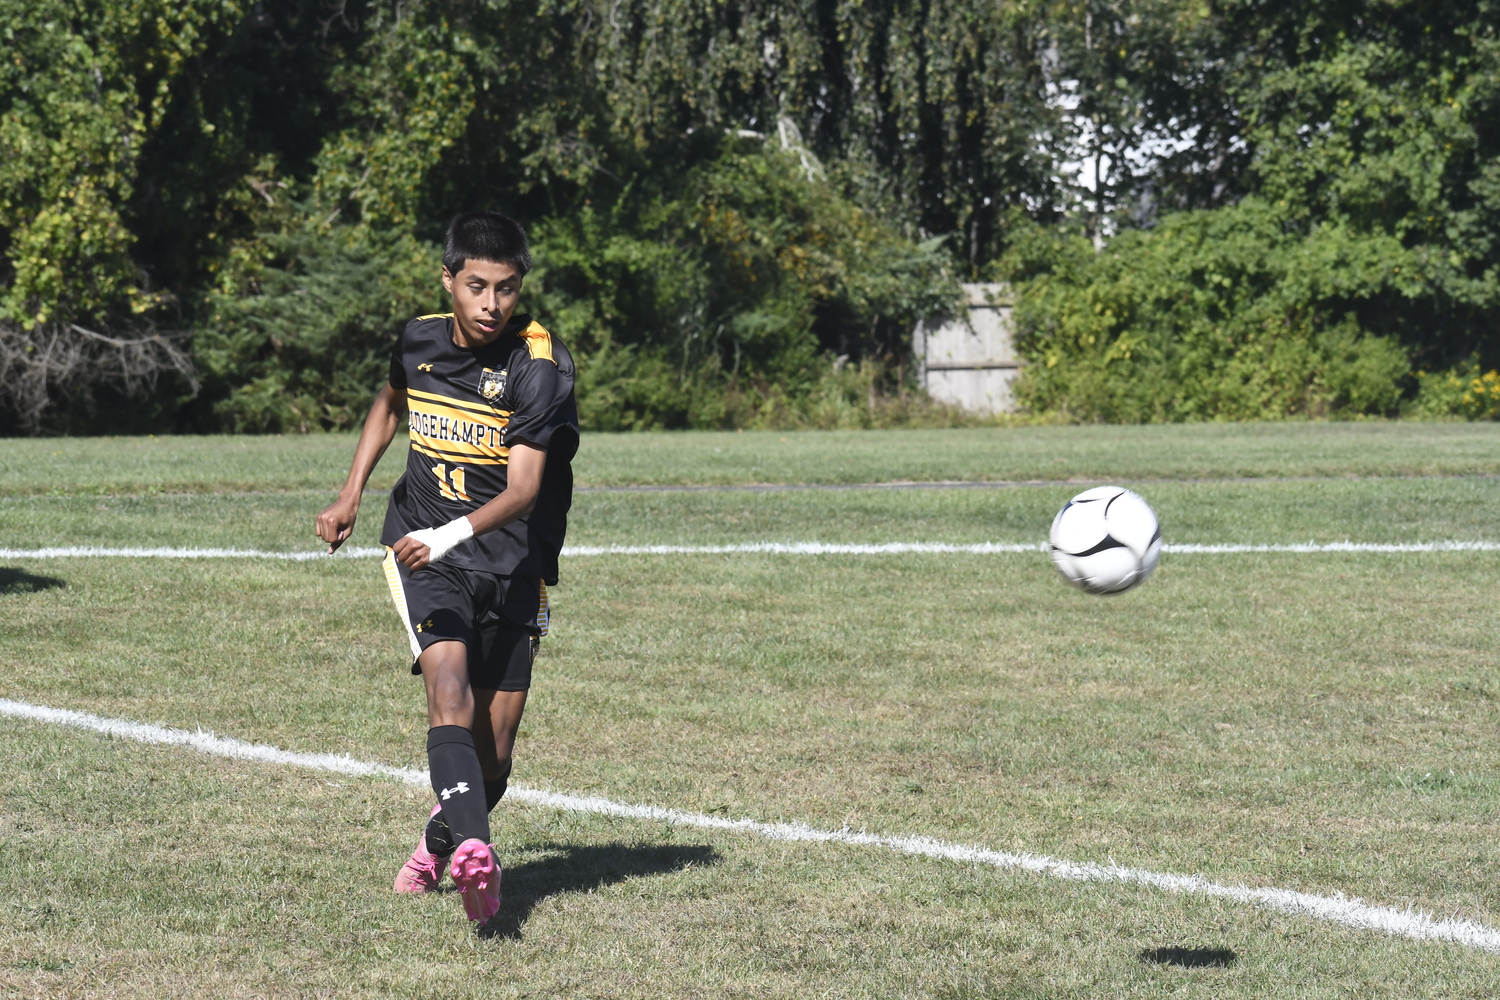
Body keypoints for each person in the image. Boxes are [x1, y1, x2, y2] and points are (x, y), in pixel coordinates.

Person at [315, 211, 578, 926]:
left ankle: (442, 843)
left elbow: (524, 489)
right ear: (449, 279)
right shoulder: (422, 337)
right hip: (422, 554)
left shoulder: (540, 365)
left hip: (514, 565)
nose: (491, 305)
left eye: (507, 289)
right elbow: (391, 401)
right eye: (477, 287)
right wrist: (351, 493)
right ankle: (477, 859)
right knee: (448, 686)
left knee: (492, 758)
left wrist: (452, 532)